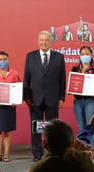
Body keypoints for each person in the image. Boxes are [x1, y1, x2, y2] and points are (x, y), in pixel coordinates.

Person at [23, 31, 66, 162]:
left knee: (53, 128)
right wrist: (27, 97)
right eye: (41, 40)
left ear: (51, 42)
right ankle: (37, 153)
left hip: (52, 98)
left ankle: (52, 152)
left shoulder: (59, 57)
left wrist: (61, 97)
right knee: (36, 127)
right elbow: (27, 78)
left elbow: (62, 79)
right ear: (38, 41)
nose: (44, 42)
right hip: (35, 98)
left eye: (47, 40)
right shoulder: (30, 56)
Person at [0, 51, 21, 162]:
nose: (3, 61)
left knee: (8, 131)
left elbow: (18, 87)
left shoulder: (14, 73)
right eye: (0, 59)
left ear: (8, 60)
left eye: (5, 59)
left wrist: (16, 98)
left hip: (9, 106)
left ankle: (6, 154)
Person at [71, 46, 94, 146]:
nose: (85, 56)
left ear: (91, 55)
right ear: (80, 55)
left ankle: (92, 151)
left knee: (91, 127)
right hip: (78, 101)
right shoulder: (75, 68)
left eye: (87, 54)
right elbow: (72, 83)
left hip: (90, 101)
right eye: (82, 54)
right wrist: (70, 89)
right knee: (81, 127)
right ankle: (83, 151)